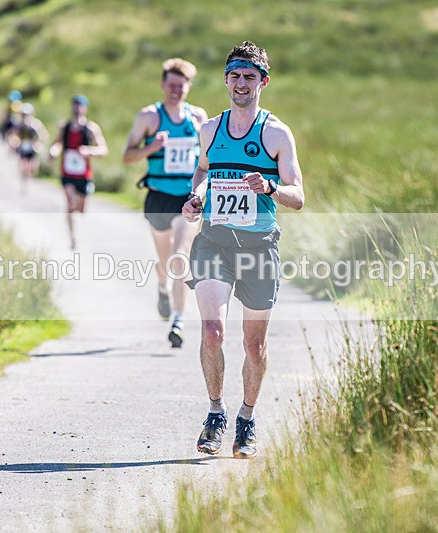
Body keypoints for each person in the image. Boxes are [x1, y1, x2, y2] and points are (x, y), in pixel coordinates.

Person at [181, 41, 304, 458]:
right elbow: (202, 169)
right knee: (212, 331)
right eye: (234, 75)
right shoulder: (210, 129)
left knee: (254, 346)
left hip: (258, 246)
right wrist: (195, 196)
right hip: (213, 240)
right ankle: (215, 413)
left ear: (263, 82)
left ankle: (246, 418)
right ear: (226, 79)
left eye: (250, 77)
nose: (241, 83)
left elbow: (298, 195)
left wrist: (270, 186)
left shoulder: (275, 133)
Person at [123, 58, 208, 348]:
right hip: (158, 197)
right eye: (171, 85)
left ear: (188, 88)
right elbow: (127, 157)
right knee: (165, 262)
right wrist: (152, 146)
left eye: (181, 86)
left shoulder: (197, 118)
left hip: (187, 198)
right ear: (162, 85)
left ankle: (178, 319)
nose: (175, 91)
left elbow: (207, 161)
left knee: (180, 256)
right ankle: (162, 287)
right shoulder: (148, 117)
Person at [48, 95, 108, 249]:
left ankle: (78, 209)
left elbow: (103, 149)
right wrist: (53, 152)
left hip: (84, 175)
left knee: (81, 210)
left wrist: (89, 151)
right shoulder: (65, 127)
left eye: (80, 105)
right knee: (69, 203)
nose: (77, 108)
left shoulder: (91, 128)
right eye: (75, 105)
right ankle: (72, 238)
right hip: (67, 173)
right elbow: (57, 144)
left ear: (85, 108)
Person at [10, 102, 48, 193]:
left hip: (32, 149)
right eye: (24, 114)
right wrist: (14, 143)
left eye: (27, 114)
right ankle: (24, 185)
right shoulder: (19, 125)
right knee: (23, 166)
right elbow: (13, 135)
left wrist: (38, 144)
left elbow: (44, 135)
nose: (25, 116)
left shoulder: (36, 125)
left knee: (32, 169)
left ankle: (30, 178)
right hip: (23, 148)